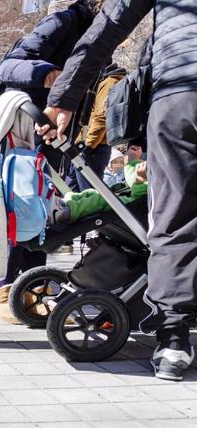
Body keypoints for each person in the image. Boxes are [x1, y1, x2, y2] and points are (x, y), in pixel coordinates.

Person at [42, 0, 197, 381]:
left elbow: (109, 24)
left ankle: (173, 340)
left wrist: (64, 98)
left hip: (179, 92)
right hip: (178, 86)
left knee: (174, 215)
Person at [0, 0, 98, 322]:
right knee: (23, 208)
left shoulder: (96, 33)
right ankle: (6, 287)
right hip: (24, 132)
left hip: (48, 133)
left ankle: (33, 287)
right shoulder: (63, 22)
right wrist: (50, 75)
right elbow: (9, 67)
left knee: (40, 214)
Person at [72, 63, 126, 191]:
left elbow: (101, 117)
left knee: (89, 194)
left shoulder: (109, 82)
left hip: (94, 147)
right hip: (92, 145)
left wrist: (88, 147)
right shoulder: (105, 81)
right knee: (75, 192)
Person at [55, 159, 146, 224]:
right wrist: (134, 161)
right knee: (94, 193)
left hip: (140, 208)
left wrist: (139, 180)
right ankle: (67, 201)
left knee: (105, 200)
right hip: (136, 201)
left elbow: (141, 197)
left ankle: (73, 211)